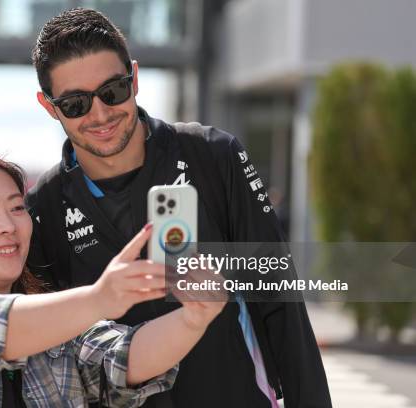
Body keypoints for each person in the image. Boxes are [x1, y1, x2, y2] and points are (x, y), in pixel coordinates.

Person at [26, 8, 332, 408]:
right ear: (49, 106)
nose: (100, 114)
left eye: (113, 91)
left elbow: (278, 297)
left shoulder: (213, 156)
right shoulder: (44, 206)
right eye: (75, 104)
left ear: (134, 78)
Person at [0, 147, 226, 407]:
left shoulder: (53, 321)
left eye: (17, 207)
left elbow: (124, 357)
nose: (8, 225)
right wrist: (99, 298)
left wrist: (194, 318)